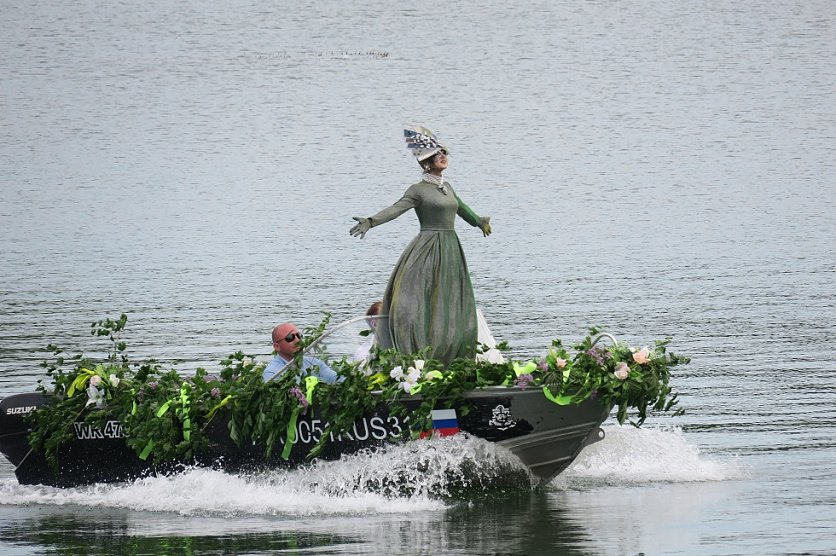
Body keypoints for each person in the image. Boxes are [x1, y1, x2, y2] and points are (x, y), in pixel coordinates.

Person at [349, 125, 491, 366]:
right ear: (426, 163)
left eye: (444, 152)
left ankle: (451, 352)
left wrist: (479, 222)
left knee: (450, 299)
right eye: (437, 154)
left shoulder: (448, 187)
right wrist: (371, 221)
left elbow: (462, 208)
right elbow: (396, 208)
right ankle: (415, 352)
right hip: (427, 248)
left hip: (451, 248)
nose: (443, 156)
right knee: (417, 298)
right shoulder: (418, 190)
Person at [262, 323, 342, 384]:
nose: (297, 340)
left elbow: (337, 379)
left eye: (299, 335)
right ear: (277, 346)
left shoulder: (315, 363)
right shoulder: (272, 373)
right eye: (290, 338)